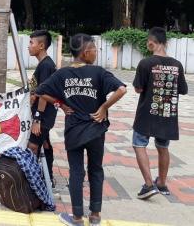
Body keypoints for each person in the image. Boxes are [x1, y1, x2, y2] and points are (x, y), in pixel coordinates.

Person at [36, 34, 127, 226]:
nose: (96, 53)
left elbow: (40, 90)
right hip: (96, 130)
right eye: (95, 49)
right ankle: (95, 216)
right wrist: (103, 108)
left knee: (76, 172)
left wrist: (60, 103)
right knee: (96, 170)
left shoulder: (62, 74)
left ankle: (76, 217)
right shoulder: (99, 72)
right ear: (86, 52)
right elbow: (121, 89)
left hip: (74, 130)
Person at [132, 27, 188, 199]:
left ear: (151, 42)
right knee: (163, 147)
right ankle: (162, 183)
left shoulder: (145, 63)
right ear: (166, 42)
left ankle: (149, 185)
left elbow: (138, 88)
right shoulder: (177, 65)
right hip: (167, 115)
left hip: (146, 115)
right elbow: (183, 90)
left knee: (139, 144)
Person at [27, 30, 57, 185]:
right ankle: (48, 177)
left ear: (41, 45)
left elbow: (44, 93)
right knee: (45, 143)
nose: (28, 46)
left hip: (43, 116)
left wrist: (37, 119)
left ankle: (32, 182)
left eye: (31, 43)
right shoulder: (44, 64)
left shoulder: (46, 65)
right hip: (45, 115)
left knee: (33, 146)